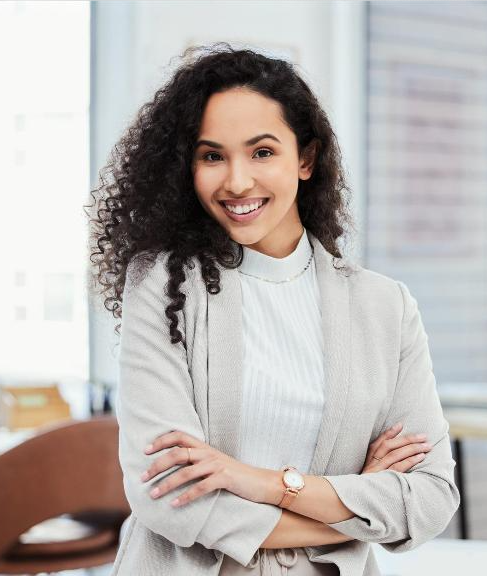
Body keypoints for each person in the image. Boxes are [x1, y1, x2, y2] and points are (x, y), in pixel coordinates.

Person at [89, 44, 460, 575]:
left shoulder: (385, 306)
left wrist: (260, 481)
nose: (237, 181)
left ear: (305, 159)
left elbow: (429, 499)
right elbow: (167, 498)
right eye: (212, 156)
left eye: (262, 152)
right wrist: (350, 508)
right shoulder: (162, 284)